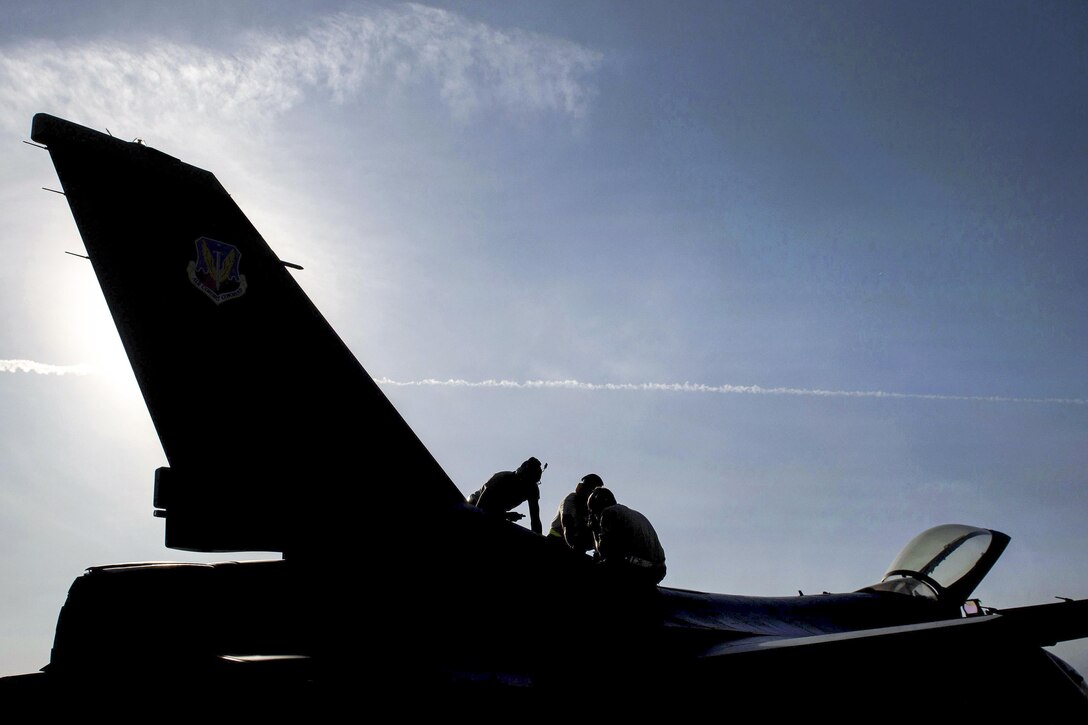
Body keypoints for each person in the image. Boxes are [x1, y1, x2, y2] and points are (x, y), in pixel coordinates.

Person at [587, 487, 666, 586]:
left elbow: (605, 552)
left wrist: (594, 529)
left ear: (598, 506)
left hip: (638, 570)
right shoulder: (630, 513)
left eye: (592, 511)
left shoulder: (609, 512)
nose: (592, 516)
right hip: (657, 570)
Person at [469, 457, 546, 534]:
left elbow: (535, 519)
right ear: (522, 476)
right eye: (530, 481)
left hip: (493, 514)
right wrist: (505, 515)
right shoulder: (501, 478)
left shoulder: (532, 489)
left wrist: (540, 542)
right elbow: (480, 509)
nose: (531, 485)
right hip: (472, 505)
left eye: (535, 482)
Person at [547, 473, 604, 553]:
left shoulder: (591, 507)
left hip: (575, 542)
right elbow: (567, 525)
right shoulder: (571, 500)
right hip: (557, 540)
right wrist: (574, 549)